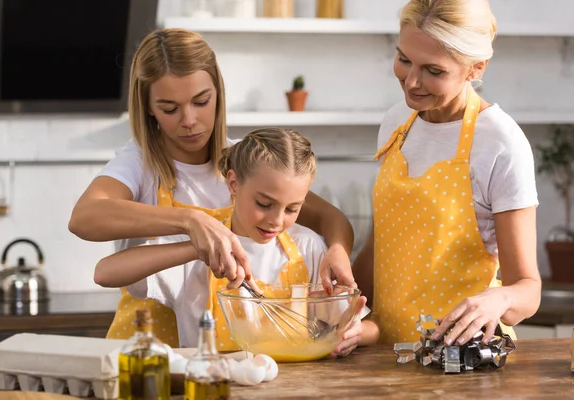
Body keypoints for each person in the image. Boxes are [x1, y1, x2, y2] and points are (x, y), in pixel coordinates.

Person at [68, 28, 356, 347]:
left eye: (201, 101)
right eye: (169, 108)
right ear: (148, 107)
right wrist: (190, 222)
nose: (189, 120)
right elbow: (84, 218)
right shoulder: (139, 162)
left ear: (217, 91)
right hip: (143, 350)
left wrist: (338, 252)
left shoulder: (247, 162)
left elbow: (332, 220)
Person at [94, 128, 380, 357]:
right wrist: (195, 249)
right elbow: (105, 273)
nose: (276, 220)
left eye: (292, 209)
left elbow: (369, 328)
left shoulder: (308, 247)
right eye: (264, 203)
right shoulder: (199, 249)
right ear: (233, 184)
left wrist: (355, 333)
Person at [353, 0, 541, 346]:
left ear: (475, 68)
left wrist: (499, 298)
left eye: (433, 71)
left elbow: (528, 291)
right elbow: (381, 242)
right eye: (404, 59)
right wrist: (341, 302)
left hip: (459, 356)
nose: (411, 82)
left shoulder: (500, 142)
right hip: (384, 349)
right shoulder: (397, 122)